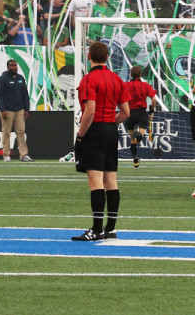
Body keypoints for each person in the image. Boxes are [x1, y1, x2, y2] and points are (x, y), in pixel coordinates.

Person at [71, 41, 128, 241]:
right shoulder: (116, 79)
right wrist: (110, 124)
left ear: (89, 57)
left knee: (96, 182)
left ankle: (96, 229)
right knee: (111, 180)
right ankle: (110, 228)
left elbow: (90, 111)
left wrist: (80, 135)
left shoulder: (89, 79)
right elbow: (125, 112)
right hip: (111, 131)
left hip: (95, 131)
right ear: (107, 57)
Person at [0, 59, 32, 163]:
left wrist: (26, 109)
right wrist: (2, 109)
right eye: (11, 66)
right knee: (6, 133)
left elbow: (25, 95)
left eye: (15, 65)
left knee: (21, 132)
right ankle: (6, 155)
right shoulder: (2, 79)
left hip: (20, 109)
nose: (14, 67)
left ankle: (23, 155)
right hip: (7, 110)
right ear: (8, 67)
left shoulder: (21, 78)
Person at [122, 65, 157, 168]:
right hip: (142, 113)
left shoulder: (126, 85)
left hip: (130, 113)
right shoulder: (146, 86)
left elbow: (120, 98)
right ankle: (139, 136)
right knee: (140, 136)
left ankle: (135, 158)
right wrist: (151, 111)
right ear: (141, 75)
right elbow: (154, 99)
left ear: (131, 74)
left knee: (132, 139)